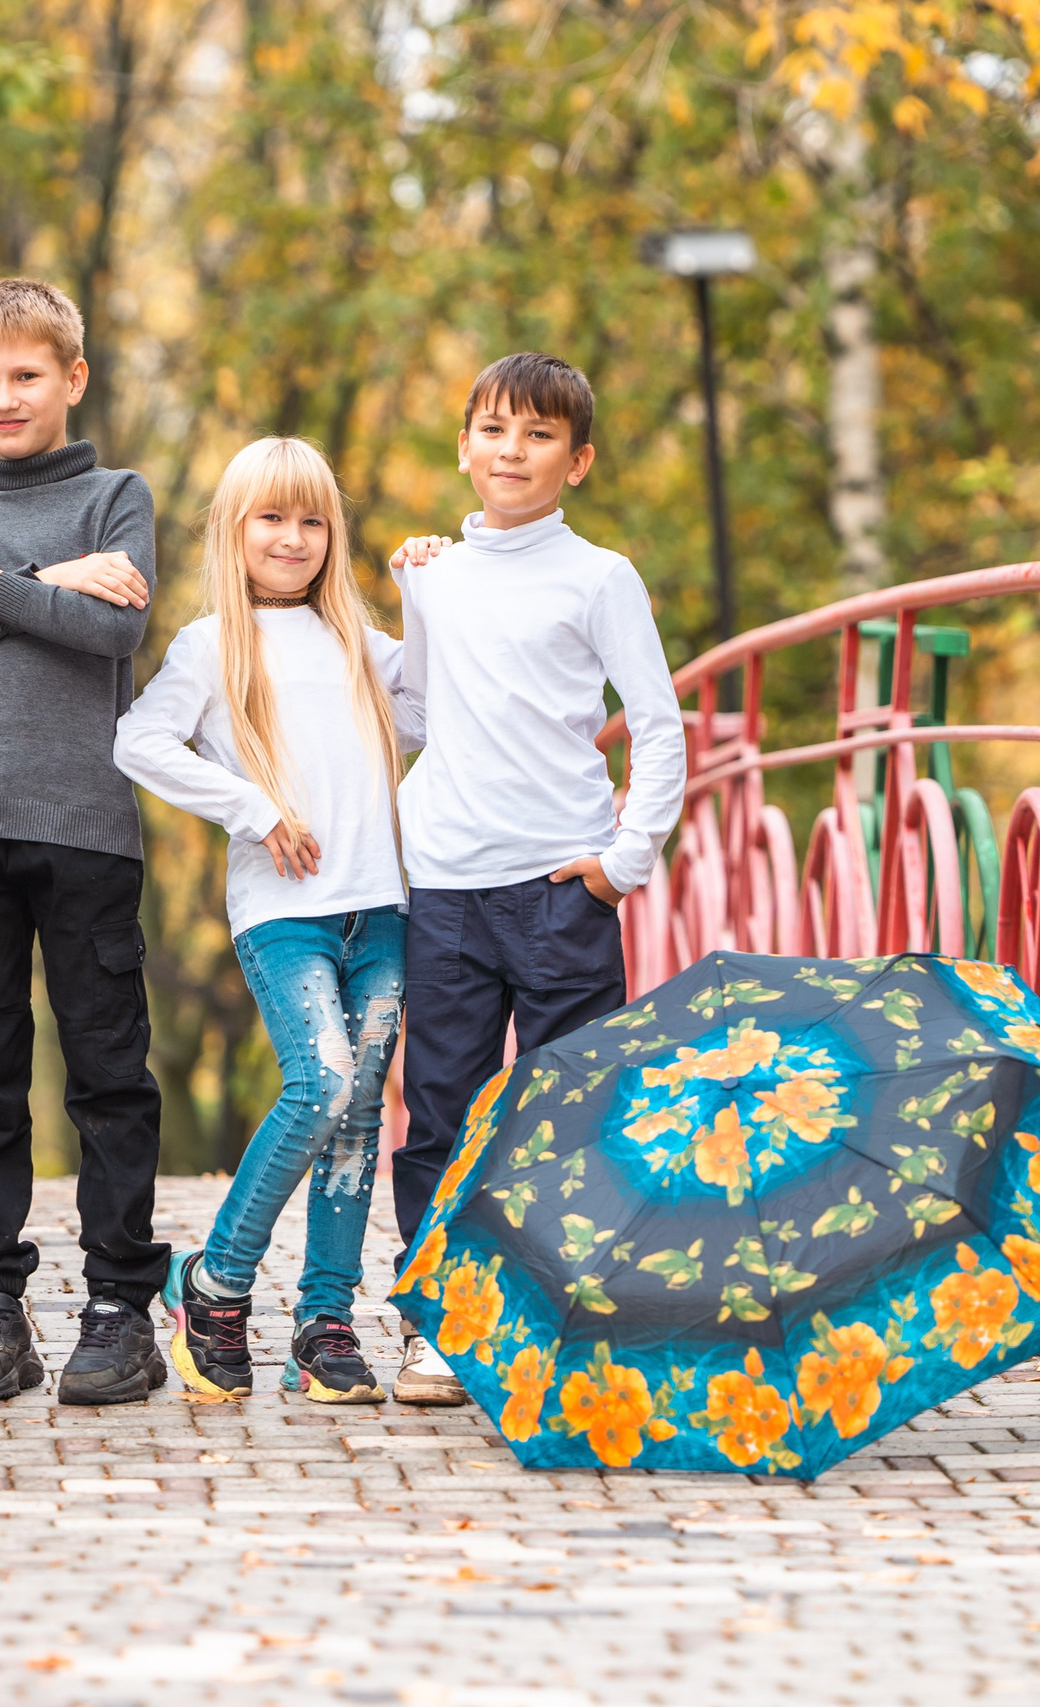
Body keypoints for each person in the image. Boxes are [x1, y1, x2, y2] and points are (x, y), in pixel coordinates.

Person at [386, 352, 686, 1403]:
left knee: (569, 1113)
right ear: (463, 445)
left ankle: (564, 1317)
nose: (512, 451)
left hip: (560, 887)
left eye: (539, 435)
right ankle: (440, 1321)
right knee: (442, 1109)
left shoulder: (598, 576)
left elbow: (657, 725)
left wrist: (619, 866)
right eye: (493, 430)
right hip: (446, 882)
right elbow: (417, 709)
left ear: (580, 460)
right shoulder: (427, 573)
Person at [0, 278, 171, 1406]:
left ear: (72, 378)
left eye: (25, 376)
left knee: (107, 1072)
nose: (3, 398)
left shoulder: (118, 495)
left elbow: (117, 624)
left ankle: (118, 1306)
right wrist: (37, 584)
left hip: (87, 830)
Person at [114, 437, 422, 1404]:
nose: (293, 538)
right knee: (322, 1080)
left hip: (382, 903)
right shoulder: (213, 643)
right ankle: (215, 1283)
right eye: (272, 519)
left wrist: (429, 599)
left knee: (361, 1112)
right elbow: (138, 741)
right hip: (283, 909)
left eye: (312, 519)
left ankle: (325, 1322)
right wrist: (253, 808)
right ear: (234, 532)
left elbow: (441, 712)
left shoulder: (364, 645)